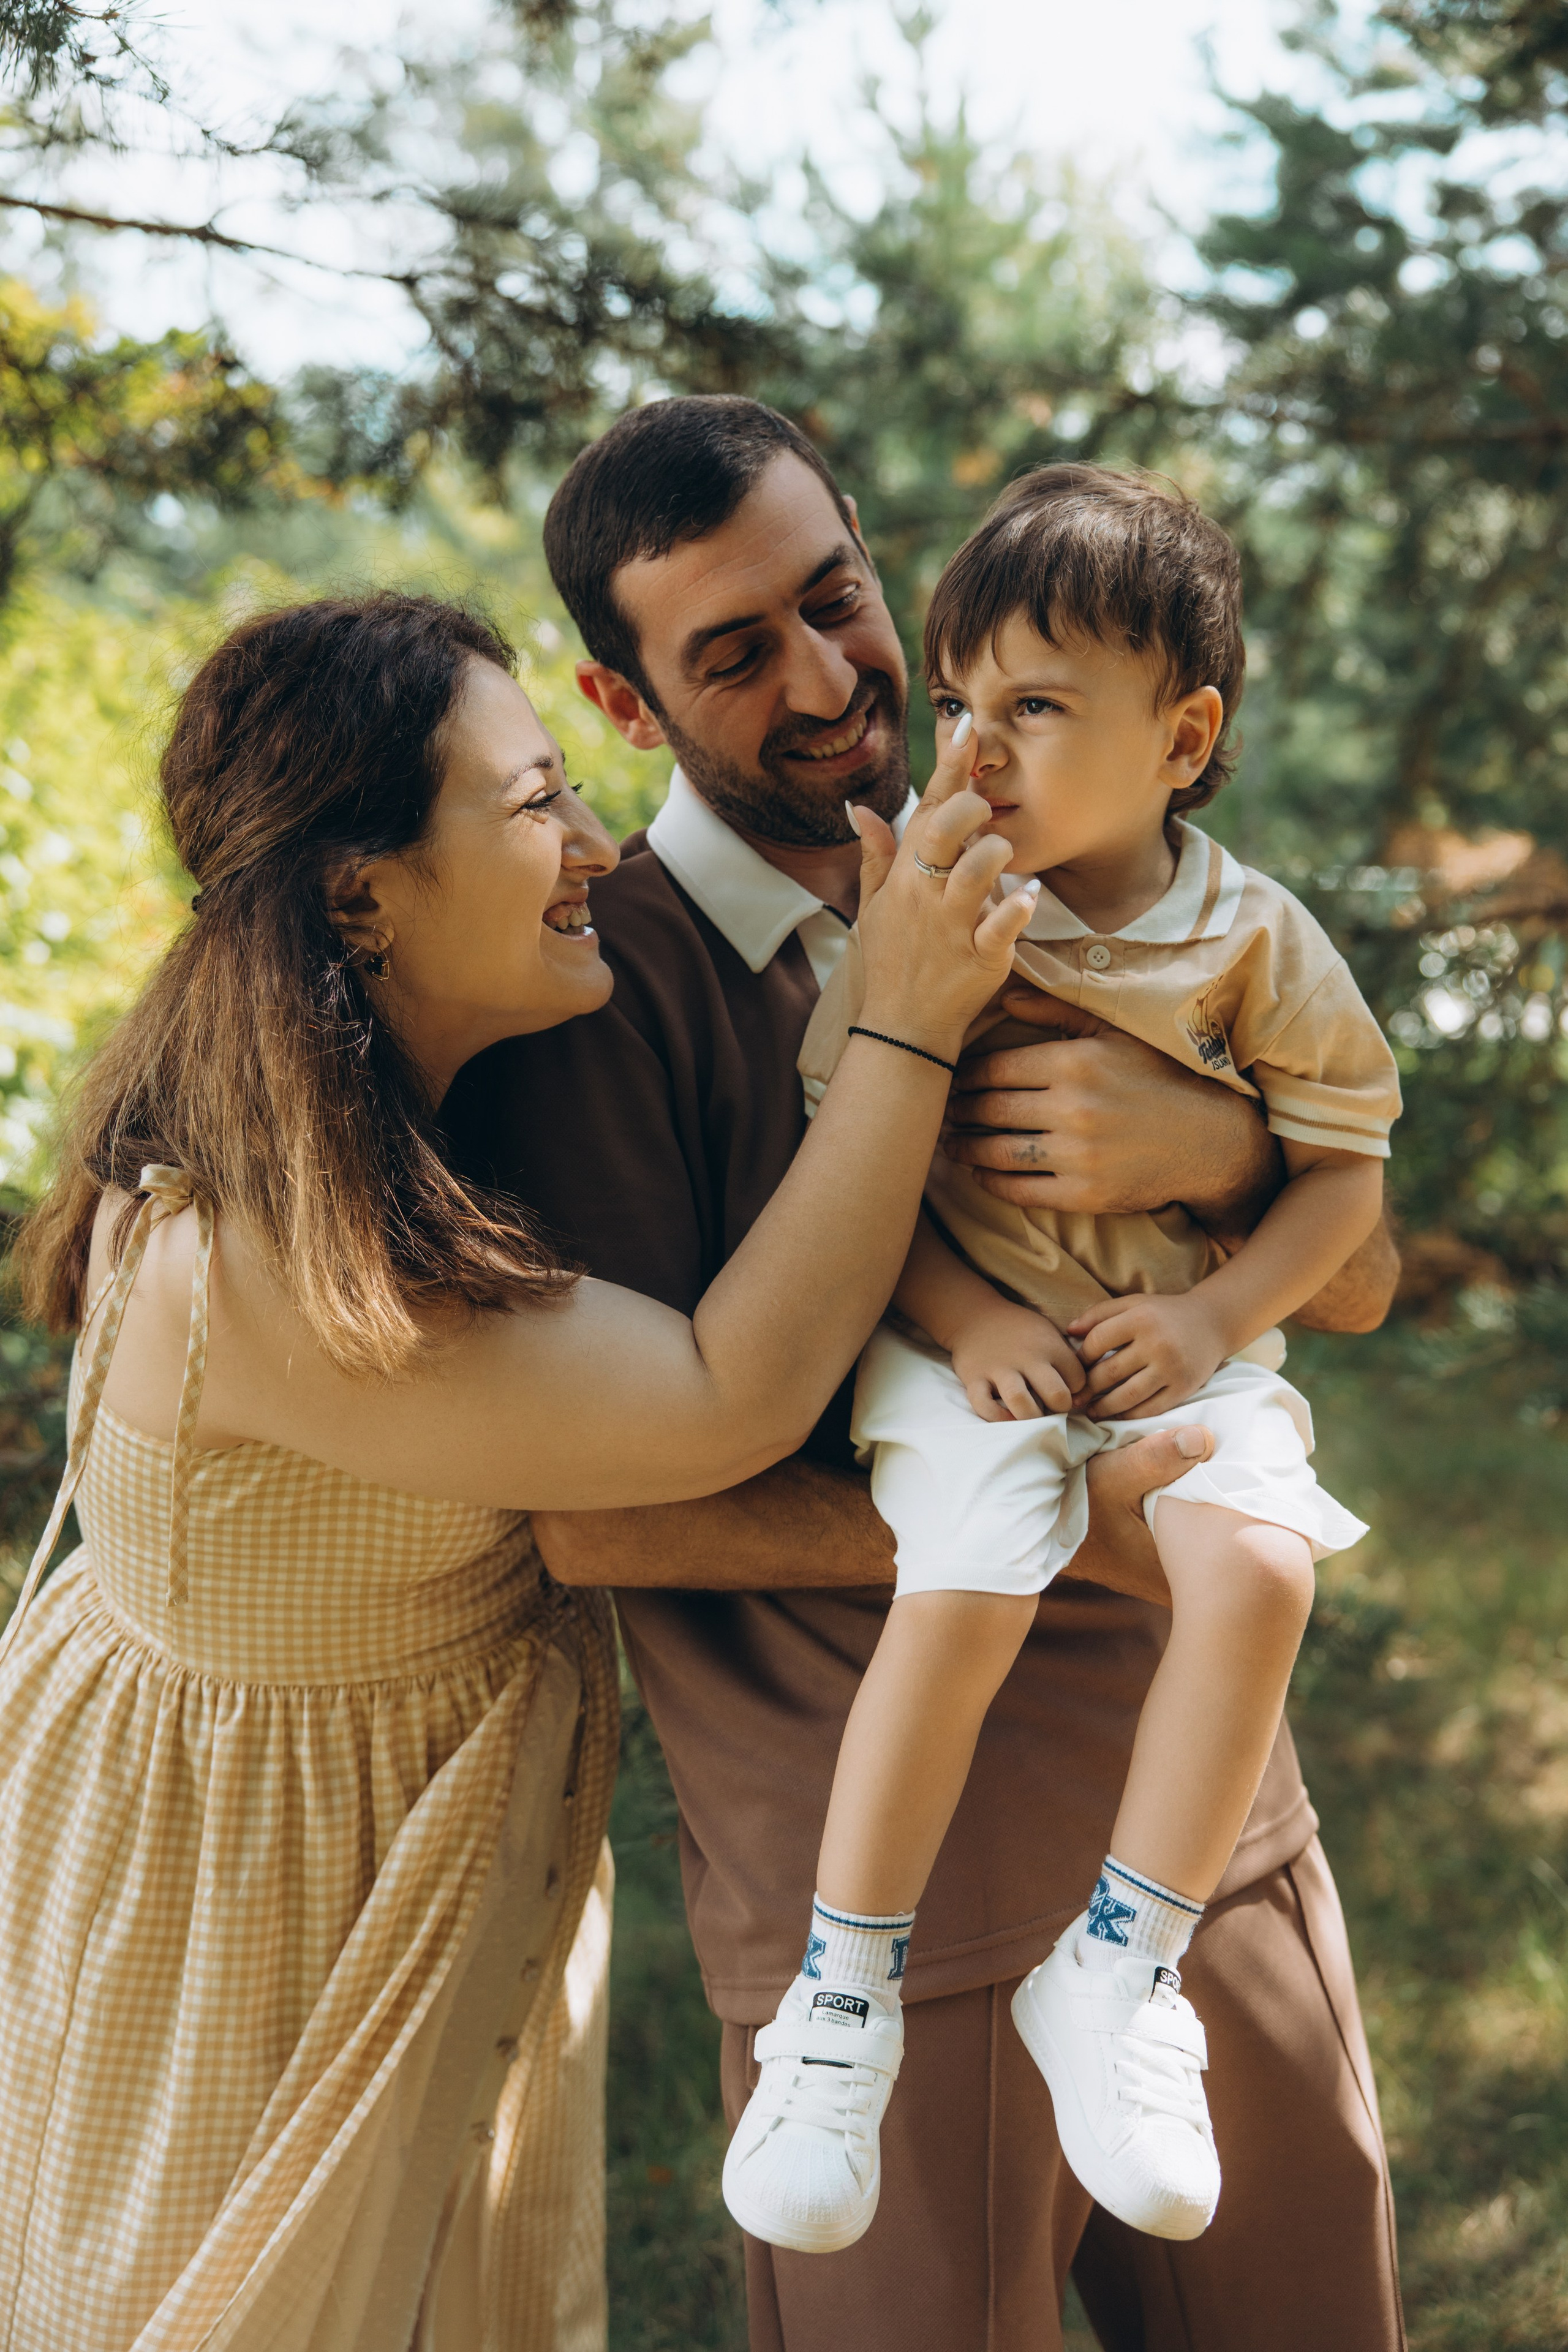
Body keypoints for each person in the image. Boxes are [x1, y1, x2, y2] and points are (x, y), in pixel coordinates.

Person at [443, 397, 1408, 2352]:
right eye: (733, 651)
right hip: (879, 1930)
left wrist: (1213, 1155)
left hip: (1195, 1836)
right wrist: (1070, 1537)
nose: (829, 678)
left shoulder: (1092, 834)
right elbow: (599, 1508)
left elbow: (1357, 1267)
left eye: (838, 595)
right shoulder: (596, 1003)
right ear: (622, 706)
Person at [0, 590, 1025, 2351]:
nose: (597, 841)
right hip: (260, 1912)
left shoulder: (318, 1126)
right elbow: (726, 1391)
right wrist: (909, 1022)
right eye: (534, 799)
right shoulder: (275, 1263)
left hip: (311, 1836)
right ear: (359, 893)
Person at [722, 462, 1399, 2256]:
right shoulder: (941, 906)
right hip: (973, 1351)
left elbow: (1346, 1192)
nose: (976, 746)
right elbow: (858, 1162)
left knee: (1261, 1567)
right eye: (958, 703)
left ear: (1183, 740)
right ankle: (840, 1999)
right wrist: (966, 1321)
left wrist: (1209, 1314)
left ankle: (1122, 1965)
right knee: (967, 1584)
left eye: (1035, 705)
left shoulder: (1253, 937)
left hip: (1180, 1344)